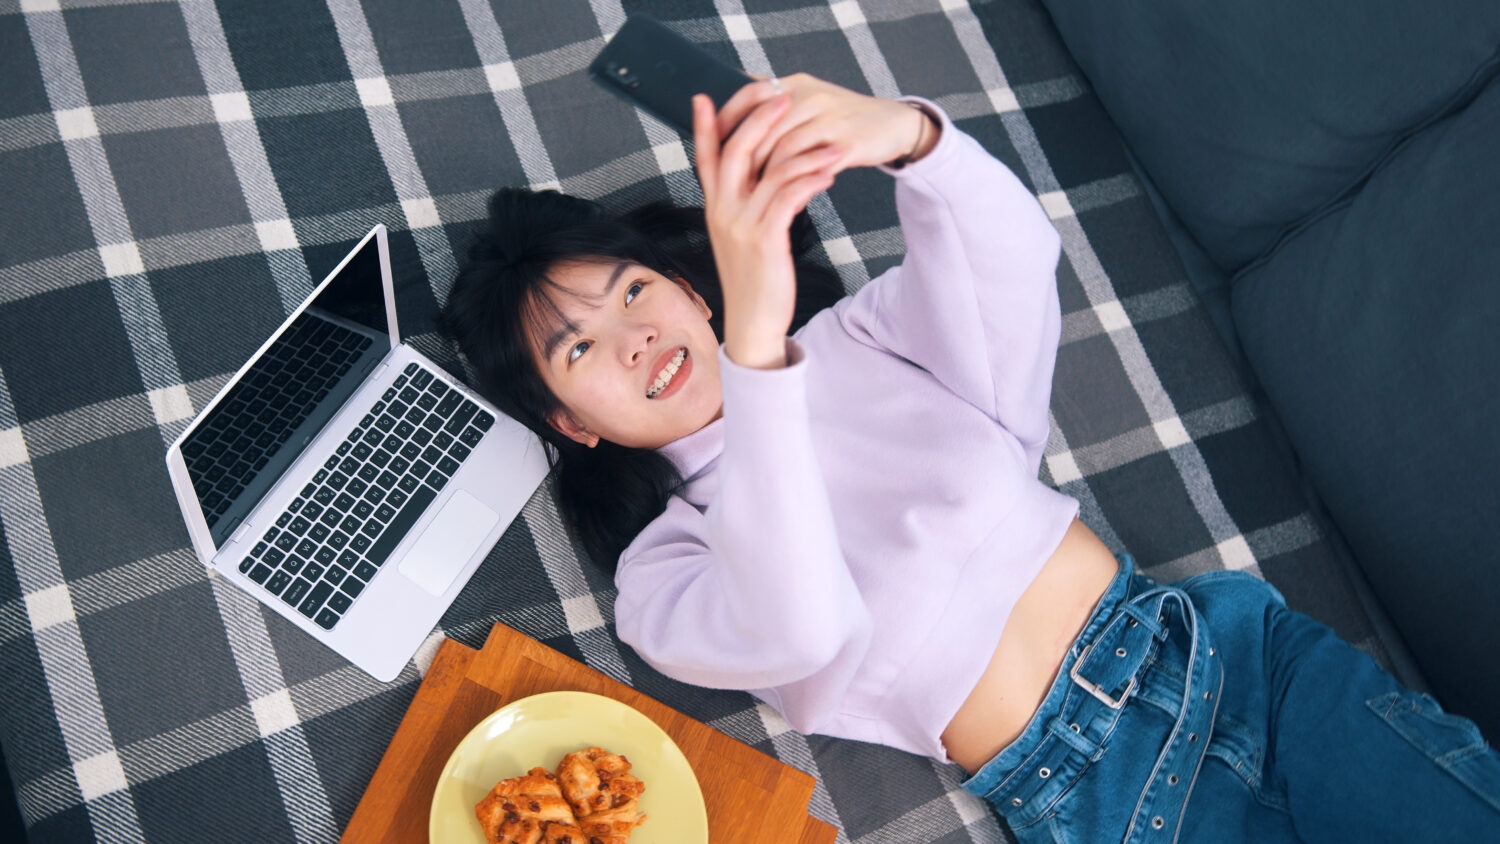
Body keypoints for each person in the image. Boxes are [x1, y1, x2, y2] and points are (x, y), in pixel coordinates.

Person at [442, 73, 1500, 841]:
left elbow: (1010, 261)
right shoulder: (665, 578)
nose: (633, 338)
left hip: (1236, 657)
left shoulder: (862, 337)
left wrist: (908, 137)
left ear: (686, 285)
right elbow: (802, 619)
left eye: (632, 291)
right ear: (569, 423)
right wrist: (757, 350)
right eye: (578, 346)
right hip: (1101, 792)